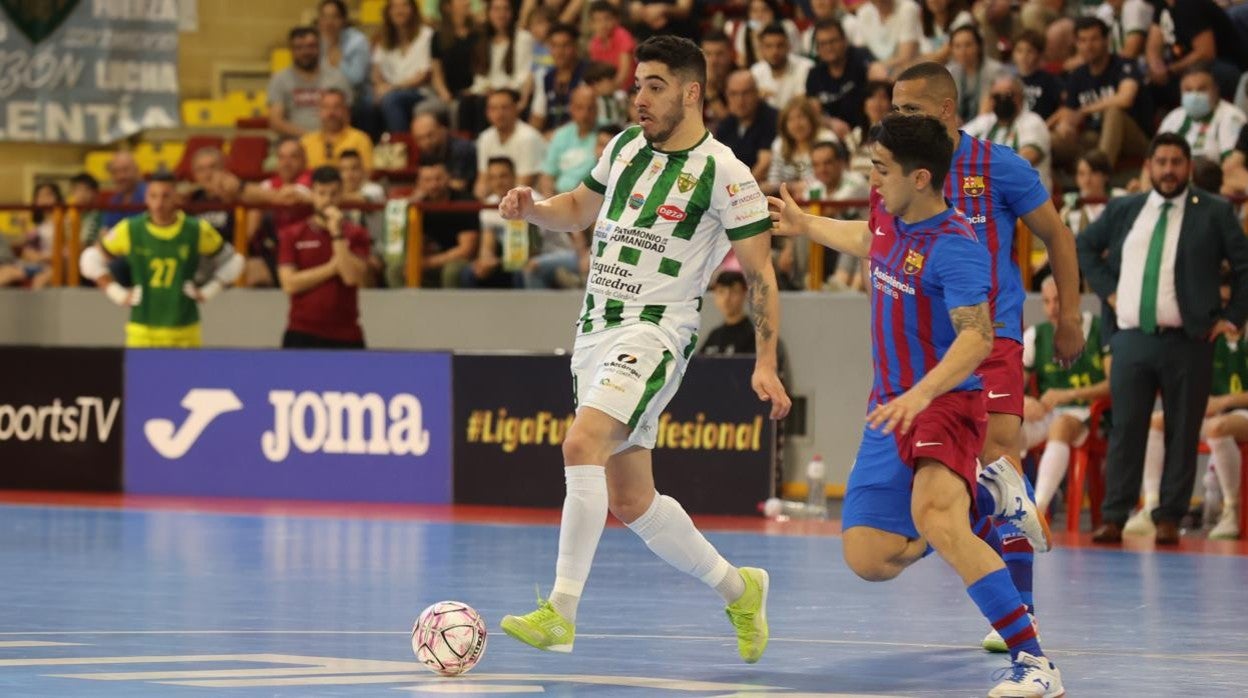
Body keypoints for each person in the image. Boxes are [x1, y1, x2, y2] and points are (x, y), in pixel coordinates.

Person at [496, 35, 790, 664]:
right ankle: (741, 590)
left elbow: (761, 276)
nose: (638, 99)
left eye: (654, 86)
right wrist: (533, 210)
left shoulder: (727, 174)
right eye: (636, 85)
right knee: (630, 500)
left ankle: (561, 611)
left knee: (581, 443)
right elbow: (578, 209)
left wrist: (765, 361)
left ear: (691, 93)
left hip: (654, 333)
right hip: (595, 330)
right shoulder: (626, 146)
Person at [767, 112, 1064, 696]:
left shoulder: (957, 248)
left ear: (921, 176)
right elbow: (864, 240)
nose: (871, 179)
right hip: (890, 407)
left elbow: (977, 337)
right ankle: (991, 494)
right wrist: (805, 224)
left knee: (939, 522)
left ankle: (1035, 665)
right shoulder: (888, 215)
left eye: (880, 169)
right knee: (868, 557)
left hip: (945, 404)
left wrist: (923, 392)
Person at [889, 62, 1087, 653]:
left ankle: (1021, 608)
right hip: (928, 345)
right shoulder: (904, 173)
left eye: (910, 111)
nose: (897, 121)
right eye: (893, 110)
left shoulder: (999, 165)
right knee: (967, 479)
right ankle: (994, 553)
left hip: (993, 333)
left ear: (947, 111)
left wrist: (1070, 315)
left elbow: (1057, 235)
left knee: (1000, 450)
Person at [1076, 132, 1248, 546]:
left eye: (1176, 162)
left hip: (1190, 338)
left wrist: (1232, 319)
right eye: (1162, 161)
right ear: (1149, 166)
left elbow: (1245, 267)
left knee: (1183, 430)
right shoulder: (1125, 209)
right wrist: (1108, 291)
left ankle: (1169, 516)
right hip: (1133, 336)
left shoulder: (1214, 211)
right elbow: (1082, 245)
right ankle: (1114, 516)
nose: (1169, 169)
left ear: (1188, 167)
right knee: (1126, 428)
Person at [1126, 272, 1248, 541]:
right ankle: (1152, 505)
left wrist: (1224, 402)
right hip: (1211, 412)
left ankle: (1231, 510)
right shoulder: (1205, 338)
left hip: (1238, 413)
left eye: (1231, 302)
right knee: (1158, 420)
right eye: (1221, 302)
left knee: (1218, 427)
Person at [79, 173, 243, 348]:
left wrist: (209, 291)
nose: (158, 204)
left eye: (166, 196)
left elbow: (235, 261)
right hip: (142, 330)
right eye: (153, 196)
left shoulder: (196, 229)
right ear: (146, 198)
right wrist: (116, 293)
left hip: (185, 330)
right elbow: (90, 259)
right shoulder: (130, 229)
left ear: (176, 197)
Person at [1023, 277, 1112, 515]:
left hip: (1089, 416)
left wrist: (1068, 394)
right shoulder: (1035, 336)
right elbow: (1013, 384)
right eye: (1047, 301)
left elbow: (1113, 384)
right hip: (1046, 414)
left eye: (1058, 300)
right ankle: (992, 510)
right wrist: (1022, 401)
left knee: (1060, 426)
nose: (1052, 308)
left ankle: (1037, 511)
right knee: (1003, 428)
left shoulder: (1099, 329)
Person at [277, 166, 370, 348]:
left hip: (346, 334)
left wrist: (337, 234)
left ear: (341, 194)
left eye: (334, 194)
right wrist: (331, 268)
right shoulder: (293, 234)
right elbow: (289, 283)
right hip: (302, 332)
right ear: (312, 194)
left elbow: (351, 277)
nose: (328, 200)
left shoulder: (356, 233)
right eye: (322, 193)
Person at [1050, 16, 1150, 170]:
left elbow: (1126, 98)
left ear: (1106, 40)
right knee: (1051, 141)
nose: (1088, 46)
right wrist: (1064, 126)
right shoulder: (1077, 75)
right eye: (1082, 41)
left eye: (1094, 39)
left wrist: (1084, 110)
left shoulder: (1124, 65)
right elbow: (1068, 112)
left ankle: (1099, 175)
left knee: (1113, 112)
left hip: (1134, 138)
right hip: (1095, 137)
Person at [964, 74, 1053, 192]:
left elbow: (1023, 161)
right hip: (987, 200)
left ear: (1020, 97)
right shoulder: (984, 122)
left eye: (1008, 95)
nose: (1002, 100)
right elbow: (953, 143)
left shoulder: (1033, 121)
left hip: (1026, 201)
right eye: (997, 96)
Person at [1154, 65, 1247, 168]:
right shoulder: (1173, 117)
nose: (1194, 96)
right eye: (1188, 90)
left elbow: (1232, 166)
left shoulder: (1232, 116)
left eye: (1201, 89)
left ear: (1215, 90)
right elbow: (1152, 161)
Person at [268, 26, 353, 138]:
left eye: (310, 46)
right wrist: (311, 138)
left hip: (332, 141)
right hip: (294, 145)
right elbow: (275, 122)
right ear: (291, 50)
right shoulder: (280, 79)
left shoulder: (337, 78)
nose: (305, 52)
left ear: (319, 48)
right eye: (299, 47)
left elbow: (346, 117)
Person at [370, 0, 436, 135]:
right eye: (394, 7)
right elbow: (376, 72)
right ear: (388, 12)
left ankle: (402, 147)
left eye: (404, 6)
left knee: (392, 100)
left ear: (413, 10)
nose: (399, 11)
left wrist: (392, 88)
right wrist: (379, 87)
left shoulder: (427, 35)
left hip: (420, 92)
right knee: (366, 104)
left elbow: (425, 75)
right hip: (391, 91)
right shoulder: (383, 39)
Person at [806, 18, 873, 139]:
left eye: (833, 41)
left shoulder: (860, 61)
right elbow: (813, 113)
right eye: (823, 44)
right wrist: (830, 123)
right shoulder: (814, 74)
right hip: (834, 135)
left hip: (866, 131)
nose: (828, 47)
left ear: (844, 41)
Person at [475, 88, 548, 197]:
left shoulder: (528, 138)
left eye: (504, 108)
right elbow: (482, 184)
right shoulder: (485, 138)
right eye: (493, 109)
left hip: (531, 201)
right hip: (499, 199)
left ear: (516, 109)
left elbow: (524, 185)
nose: (499, 113)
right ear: (487, 112)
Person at [714, 70, 778, 181]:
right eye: (734, 94)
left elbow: (764, 164)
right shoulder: (726, 125)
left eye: (746, 93)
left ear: (756, 93)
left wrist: (741, 190)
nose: (740, 100)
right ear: (726, 95)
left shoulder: (772, 119)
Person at [539, 85, 599, 196]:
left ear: (597, 110)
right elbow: (547, 175)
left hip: (589, 199)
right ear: (571, 108)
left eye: (590, 108)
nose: (585, 114)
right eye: (580, 108)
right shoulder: (561, 134)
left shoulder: (606, 135)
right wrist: (550, 201)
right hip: (560, 197)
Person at [530, 23, 588, 133]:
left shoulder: (588, 74)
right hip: (550, 141)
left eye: (565, 45)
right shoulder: (545, 78)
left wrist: (557, 137)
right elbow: (537, 117)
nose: (559, 52)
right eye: (554, 46)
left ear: (576, 46)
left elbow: (585, 117)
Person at [301, 89, 375, 172]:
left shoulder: (360, 139)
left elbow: (368, 173)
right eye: (326, 107)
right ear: (319, 112)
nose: (331, 113)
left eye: (336, 107)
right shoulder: (306, 142)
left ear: (345, 111)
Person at [749, 23, 814, 111]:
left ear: (788, 46)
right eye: (769, 46)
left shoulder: (805, 67)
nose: (775, 51)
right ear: (761, 49)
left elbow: (802, 104)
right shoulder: (755, 71)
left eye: (780, 45)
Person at [411, 110, 477, 194]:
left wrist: (429, 183)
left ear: (442, 129)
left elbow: (459, 185)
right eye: (419, 138)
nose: (425, 142)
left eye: (430, 135)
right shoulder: (427, 151)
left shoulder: (461, 149)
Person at [318, 0, 371, 103]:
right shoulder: (315, 42)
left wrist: (340, 63)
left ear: (343, 20)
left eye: (334, 17)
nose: (329, 22)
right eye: (324, 17)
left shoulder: (357, 41)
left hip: (353, 96)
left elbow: (357, 80)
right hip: (321, 96)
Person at [1011, 30, 1062, 122]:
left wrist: (1047, 126)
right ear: (1013, 54)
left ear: (1039, 55)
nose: (1024, 56)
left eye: (1030, 51)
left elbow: (1063, 108)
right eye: (1019, 51)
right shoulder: (1010, 82)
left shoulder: (1050, 80)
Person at [587, 0, 635, 90]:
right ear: (591, 24)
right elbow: (596, 73)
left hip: (630, 88)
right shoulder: (594, 43)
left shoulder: (622, 35)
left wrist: (611, 88)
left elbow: (625, 73)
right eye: (598, 20)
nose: (603, 24)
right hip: (609, 88)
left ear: (616, 20)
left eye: (607, 18)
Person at [101, 151, 147, 228]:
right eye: (115, 172)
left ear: (136, 170)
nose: (120, 176)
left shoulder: (151, 196)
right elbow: (106, 230)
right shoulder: (114, 201)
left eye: (125, 170)